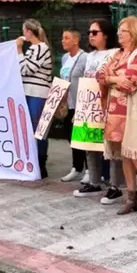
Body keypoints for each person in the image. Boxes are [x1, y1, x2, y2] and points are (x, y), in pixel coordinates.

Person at [97, 17, 137, 219]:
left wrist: (112, 77)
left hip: (132, 115)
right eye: (119, 31)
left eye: (124, 31)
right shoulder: (117, 54)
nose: (119, 34)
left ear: (134, 33)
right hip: (116, 114)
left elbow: (129, 85)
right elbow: (100, 75)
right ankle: (132, 197)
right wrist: (115, 77)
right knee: (124, 157)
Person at [72, 19, 124, 205]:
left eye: (95, 32)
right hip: (89, 107)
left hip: (107, 104)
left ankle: (115, 185)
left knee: (111, 147)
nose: (91, 36)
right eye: (89, 32)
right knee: (90, 144)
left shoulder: (116, 54)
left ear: (106, 35)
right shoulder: (89, 56)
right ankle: (94, 181)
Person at [17, 19, 53, 179]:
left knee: (39, 130)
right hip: (29, 92)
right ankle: (35, 161)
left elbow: (26, 69)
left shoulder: (41, 48)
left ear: (29, 32)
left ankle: (41, 163)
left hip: (38, 93)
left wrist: (18, 51)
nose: (23, 34)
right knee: (30, 129)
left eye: (24, 30)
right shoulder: (33, 49)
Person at [60, 29, 88, 181]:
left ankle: (89, 170)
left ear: (75, 40)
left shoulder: (84, 58)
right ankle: (76, 167)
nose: (63, 41)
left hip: (80, 104)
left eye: (66, 38)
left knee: (82, 137)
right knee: (71, 136)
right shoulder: (65, 58)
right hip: (67, 104)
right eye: (62, 38)